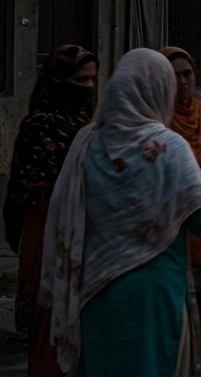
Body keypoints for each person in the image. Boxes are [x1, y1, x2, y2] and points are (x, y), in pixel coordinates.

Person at [39, 48, 201, 375]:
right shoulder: (167, 146)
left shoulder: (86, 142)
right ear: (162, 90)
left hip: (94, 288)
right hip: (151, 296)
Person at [3, 45, 98, 376]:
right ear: (58, 81)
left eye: (92, 80)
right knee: (50, 320)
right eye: (79, 79)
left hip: (81, 233)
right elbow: (26, 190)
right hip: (46, 232)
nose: (87, 88)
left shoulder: (87, 126)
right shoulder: (39, 126)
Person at [158, 45, 201, 337]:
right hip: (174, 210)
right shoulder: (158, 120)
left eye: (188, 74)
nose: (183, 81)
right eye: (175, 76)